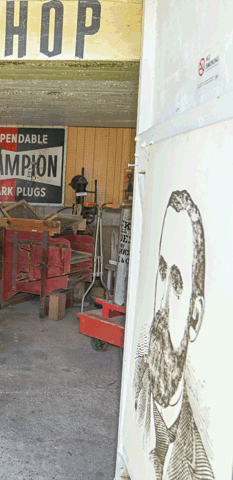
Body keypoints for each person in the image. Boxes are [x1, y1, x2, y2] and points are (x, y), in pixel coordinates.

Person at [133, 190, 214, 480]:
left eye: (178, 284)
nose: (163, 304)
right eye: (163, 271)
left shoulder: (202, 469)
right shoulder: (135, 389)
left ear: (195, 316)